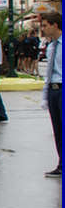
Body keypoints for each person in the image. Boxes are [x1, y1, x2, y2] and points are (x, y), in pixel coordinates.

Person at [40, 12, 62, 177]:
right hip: (53, 89)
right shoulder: (51, 47)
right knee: (58, 129)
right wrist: (45, 95)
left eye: (45, 25)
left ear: (55, 25)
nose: (43, 29)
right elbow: (48, 73)